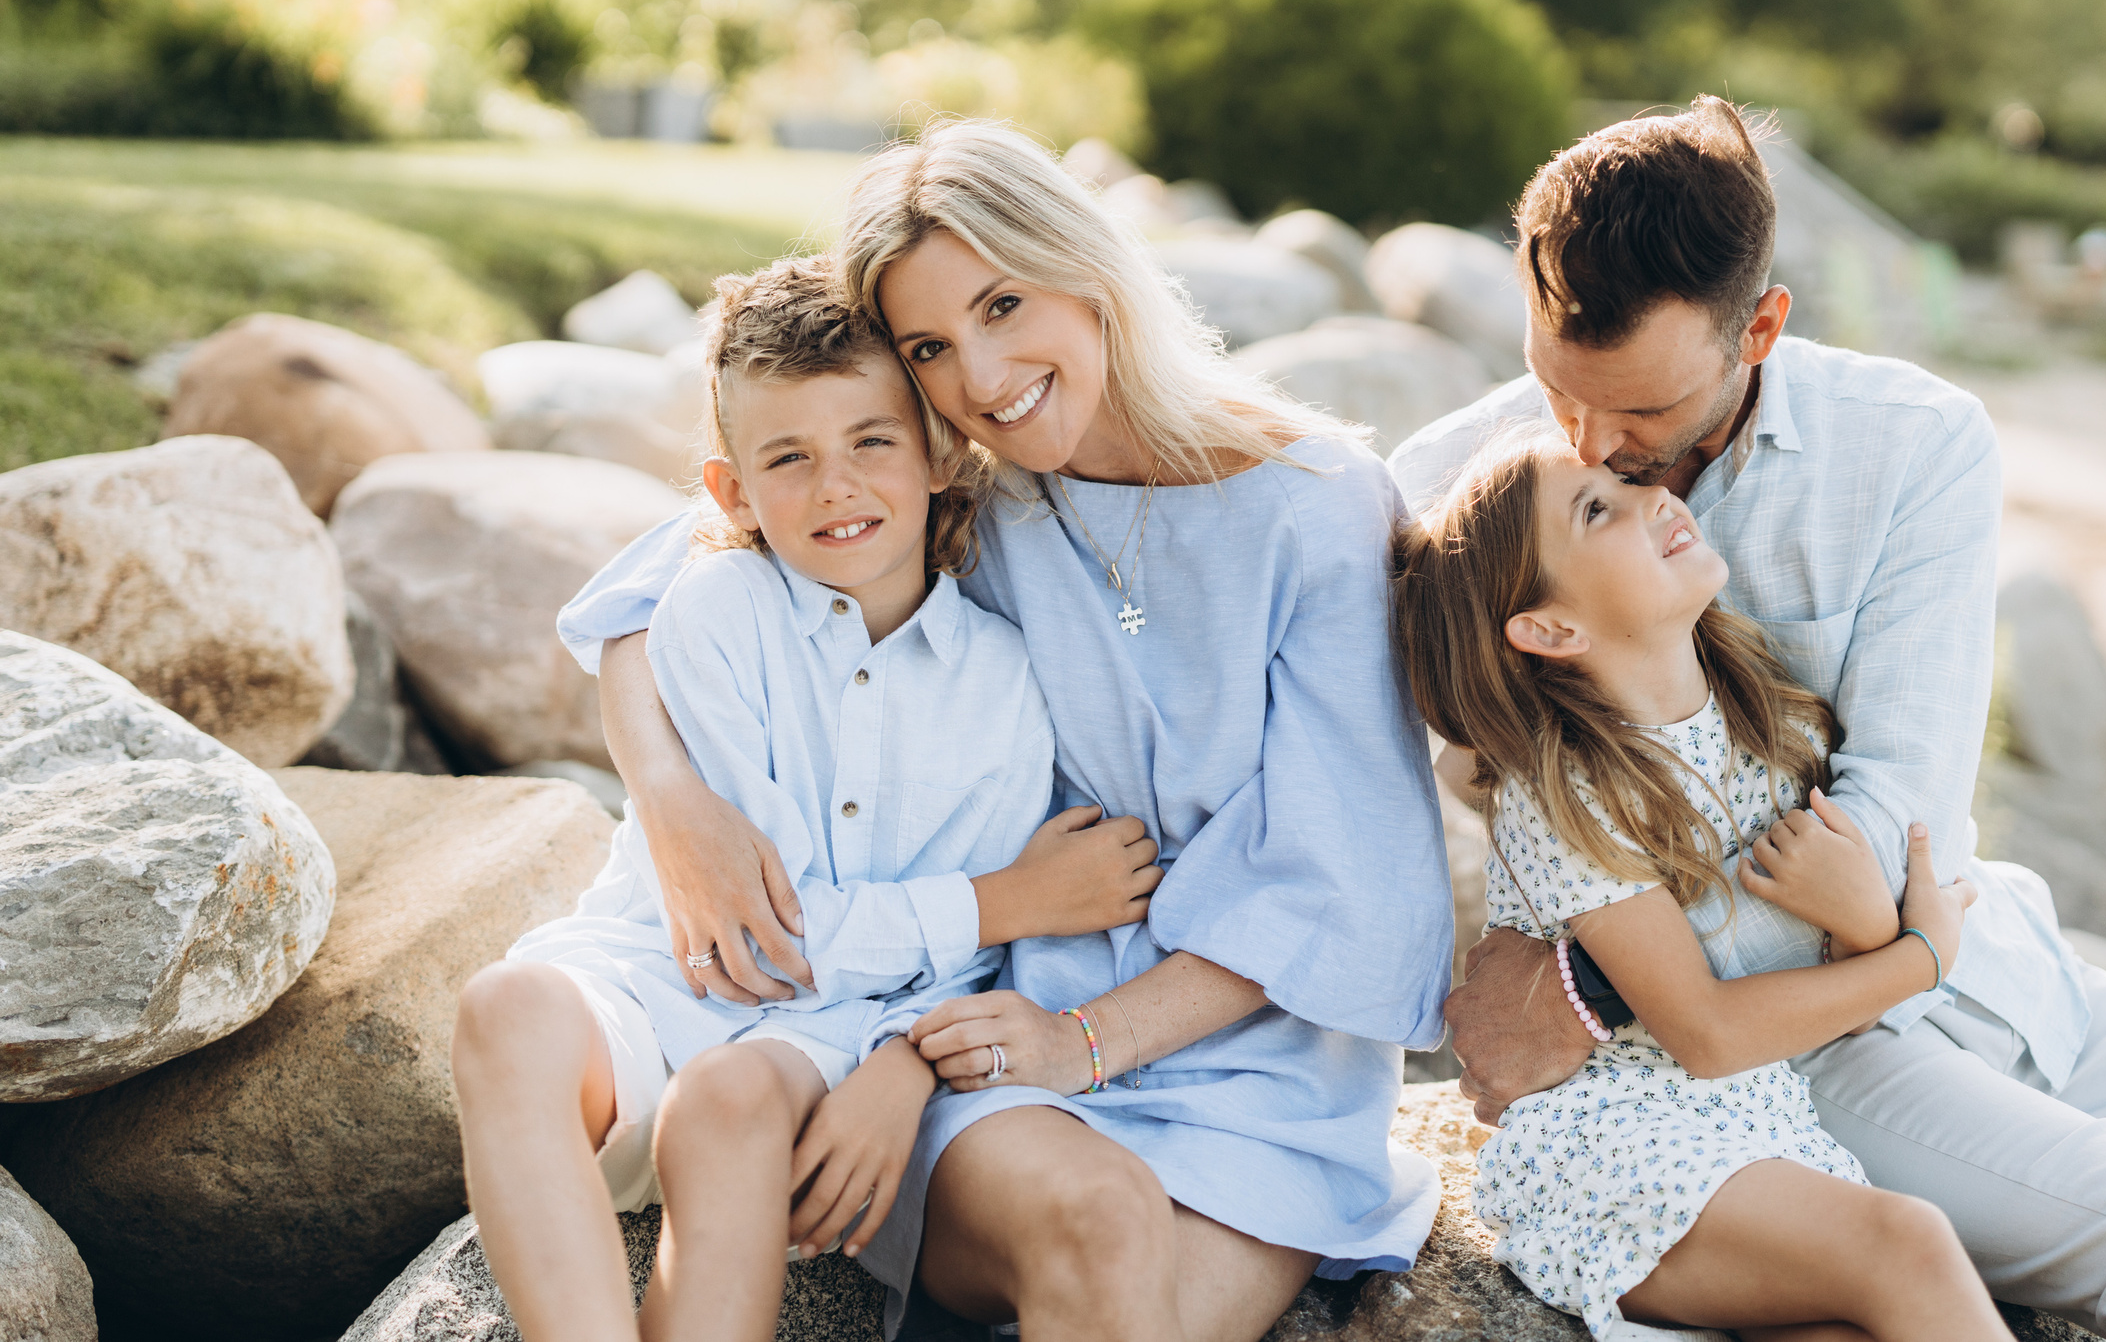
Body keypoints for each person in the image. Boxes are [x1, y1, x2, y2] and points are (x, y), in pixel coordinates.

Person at [1390, 99, 2106, 1342]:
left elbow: (1899, 825)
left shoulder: (1914, 445)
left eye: (1644, 415)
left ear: (1758, 326)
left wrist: (1594, 979)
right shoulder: (1464, 501)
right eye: (1556, 388)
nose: (1595, 443)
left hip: (1989, 965)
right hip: (1807, 1057)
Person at [551, 122, 1453, 1342]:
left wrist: (1083, 1044)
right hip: (973, 1030)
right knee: (1097, 1226)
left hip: (1250, 1068)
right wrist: (671, 804)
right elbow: (639, 601)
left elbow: (1343, 881)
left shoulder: (1323, 509)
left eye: (1002, 304)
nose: (979, 377)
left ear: (1086, 272)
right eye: (929, 346)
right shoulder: (962, 485)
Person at [450, 258, 1159, 1342]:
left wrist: (908, 1057)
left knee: (726, 1104)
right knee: (504, 1007)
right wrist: (998, 901)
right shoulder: (714, 614)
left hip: (828, 1036)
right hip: (655, 983)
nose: (837, 488)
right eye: (789, 458)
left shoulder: (1006, 680)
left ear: (937, 454)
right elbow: (761, 935)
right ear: (731, 493)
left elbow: (910, 979)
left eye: (870, 442)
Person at [1394, 426, 2002, 1342]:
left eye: (1625, 481)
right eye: (1596, 508)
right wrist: (1921, 957)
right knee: (1906, 1241)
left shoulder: (1765, 720)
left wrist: (1868, 924)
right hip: (1616, 1144)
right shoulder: (1566, 789)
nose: (1653, 498)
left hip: (1756, 1118)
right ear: (1551, 628)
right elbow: (1706, 1032)